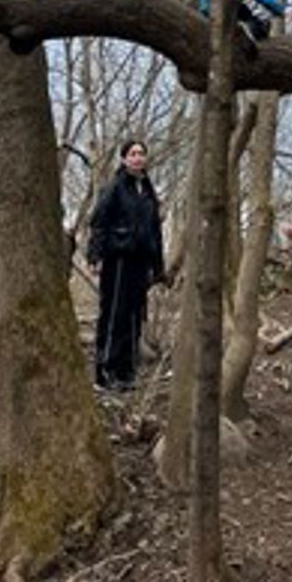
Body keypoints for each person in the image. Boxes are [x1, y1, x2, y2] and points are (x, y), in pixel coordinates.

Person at [87, 137, 165, 391]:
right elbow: (99, 221)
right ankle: (104, 371)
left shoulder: (148, 190)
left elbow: (155, 230)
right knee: (114, 315)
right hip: (118, 258)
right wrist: (95, 256)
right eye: (132, 153)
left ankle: (125, 372)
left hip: (140, 262)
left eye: (141, 153)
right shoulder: (115, 187)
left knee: (133, 317)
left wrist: (158, 266)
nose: (138, 157)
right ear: (123, 159)